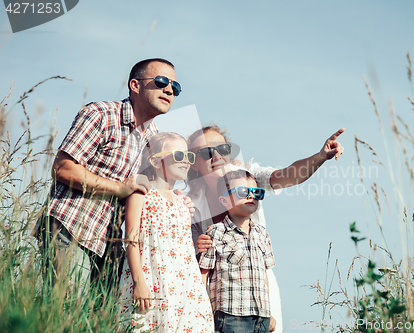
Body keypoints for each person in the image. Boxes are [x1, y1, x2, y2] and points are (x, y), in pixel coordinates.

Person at [36, 58, 188, 292]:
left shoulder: (156, 138)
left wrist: (171, 196)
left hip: (112, 248)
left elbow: (146, 188)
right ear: (135, 85)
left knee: (97, 324)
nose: (169, 90)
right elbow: (63, 168)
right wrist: (118, 188)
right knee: (65, 313)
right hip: (71, 230)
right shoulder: (102, 114)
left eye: (175, 88)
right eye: (161, 82)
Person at [187, 124, 345, 333]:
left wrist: (320, 157)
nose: (216, 156)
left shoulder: (248, 177)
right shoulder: (190, 205)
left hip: (259, 293)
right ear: (194, 163)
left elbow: (287, 175)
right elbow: (190, 258)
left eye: (223, 149)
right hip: (220, 301)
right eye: (206, 152)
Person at [118, 132, 213, 332]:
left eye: (189, 156)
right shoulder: (142, 193)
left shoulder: (183, 201)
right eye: (179, 156)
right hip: (151, 277)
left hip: (184, 282)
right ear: (154, 160)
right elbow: (131, 239)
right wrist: (138, 282)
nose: (186, 161)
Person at [199, 170, 275, 333]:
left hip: (261, 316)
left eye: (257, 192)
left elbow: (264, 277)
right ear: (224, 200)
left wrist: (269, 311)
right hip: (230, 315)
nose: (251, 196)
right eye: (243, 191)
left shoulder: (262, 234)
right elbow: (203, 275)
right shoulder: (215, 232)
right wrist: (201, 310)